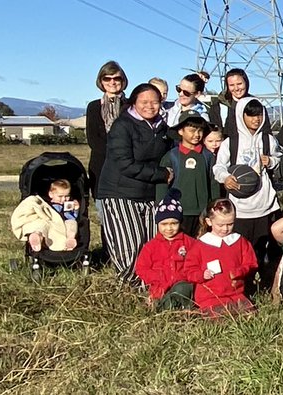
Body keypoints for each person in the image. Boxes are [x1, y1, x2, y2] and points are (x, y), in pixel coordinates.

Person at [98, 83, 174, 285]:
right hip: (120, 192)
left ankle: (149, 286)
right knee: (129, 246)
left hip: (149, 194)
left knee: (150, 245)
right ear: (134, 102)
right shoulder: (122, 125)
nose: (150, 106)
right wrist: (161, 174)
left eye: (155, 102)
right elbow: (124, 163)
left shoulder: (163, 128)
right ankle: (128, 286)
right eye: (144, 102)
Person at [212, 97, 282, 295]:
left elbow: (280, 158)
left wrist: (272, 161)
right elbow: (218, 167)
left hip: (265, 204)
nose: (256, 119)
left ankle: (266, 286)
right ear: (241, 116)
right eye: (250, 115)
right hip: (240, 208)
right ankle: (242, 287)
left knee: (263, 251)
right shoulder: (230, 143)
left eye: (259, 114)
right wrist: (225, 178)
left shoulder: (268, 140)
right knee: (241, 251)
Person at [185, 199, 257, 318]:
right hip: (209, 297)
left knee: (250, 319)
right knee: (219, 323)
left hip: (236, 294)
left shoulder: (239, 241)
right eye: (220, 225)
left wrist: (240, 271)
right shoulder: (200, 245)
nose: (225, 229)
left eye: (230, 224)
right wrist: (201, 275)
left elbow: (251, 262)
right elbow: (188, 270)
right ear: (209, 221)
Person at [157, 113, 218, 236]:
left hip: (202, 212)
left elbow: (213, 183)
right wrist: (162, 209)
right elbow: (162, 186)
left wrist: (214, 207)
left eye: (200, 130)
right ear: (180, 131)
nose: (197, 134)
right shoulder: (171, 156)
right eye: (192, 130)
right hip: (178, 212)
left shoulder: (208, 156)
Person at [135, 190, 196, 310]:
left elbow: (197, 262)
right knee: (162, 299)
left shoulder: (189, 243)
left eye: (174, 223)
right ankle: (164, 306)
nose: (169, 228)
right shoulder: (150, 246)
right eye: (164, 224)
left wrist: (182, 276)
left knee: (182, 289)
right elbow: (141, 268)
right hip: (160, 287)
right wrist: (160, 276)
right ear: (158, 224)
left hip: (181, 284)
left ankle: (180, 308)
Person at [87, 61, 128, 209]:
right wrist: (113, 155)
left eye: (116, 78)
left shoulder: (131, 105)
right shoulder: (93, 107)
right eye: (107, 78)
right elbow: (93, 139)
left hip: (127, 167)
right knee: (104, 215)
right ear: (101, 81)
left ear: (123, 81)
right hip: (101, 167)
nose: (112, 82)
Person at [210, 68, 268, 138]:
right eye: (231, 85)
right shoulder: (218, 108)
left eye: (239, 84)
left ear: (246, 83)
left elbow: (266, 132)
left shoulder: (257, 105)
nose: (236, 88)